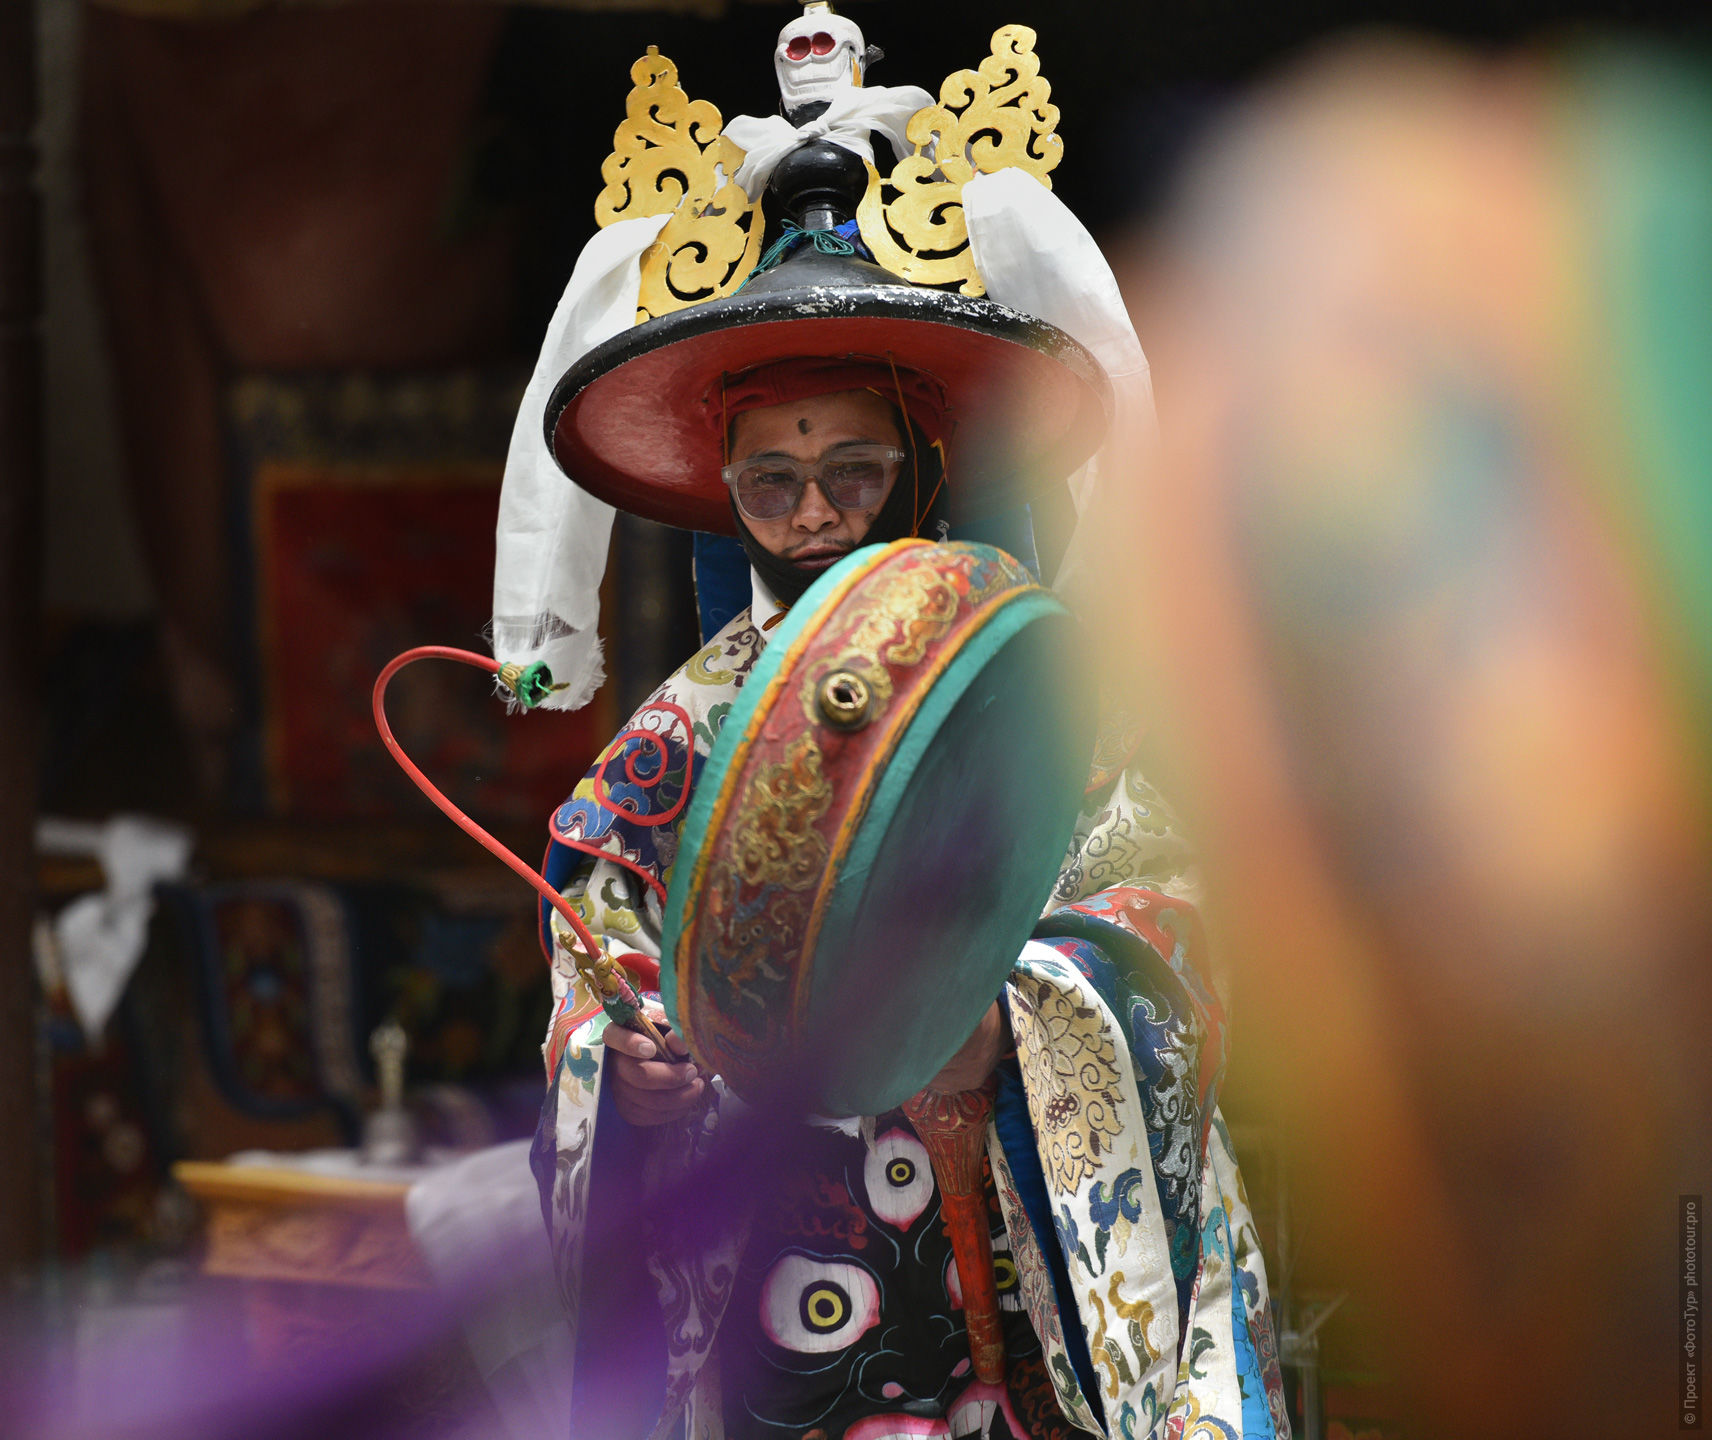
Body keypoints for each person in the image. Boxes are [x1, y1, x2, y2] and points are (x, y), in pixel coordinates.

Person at [503, 12, 1288, 1438]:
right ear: (724, 491)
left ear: (927, 462)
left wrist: (1005, 1027)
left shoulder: (1060, 698)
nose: (811, 515)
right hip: (781, 1291)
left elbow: (1171, 932)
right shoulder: (679, 736)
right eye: (772, 482)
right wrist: (635, 1077)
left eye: (853, 468)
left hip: (1017, 1260)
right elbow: (594, 978)